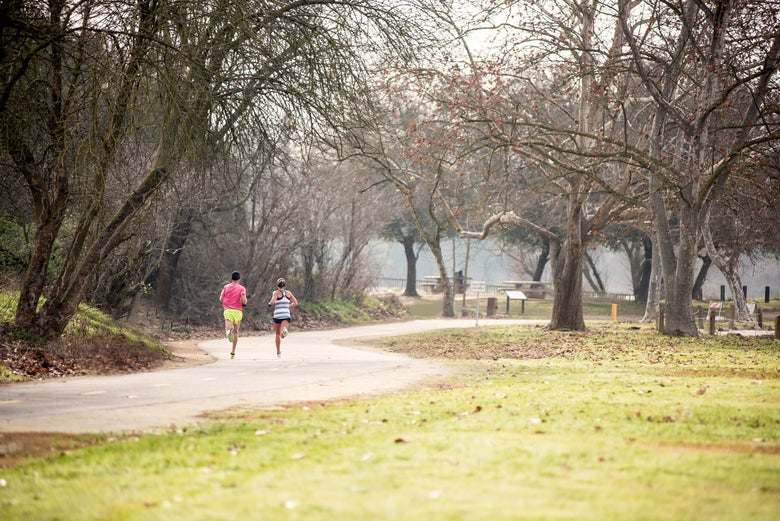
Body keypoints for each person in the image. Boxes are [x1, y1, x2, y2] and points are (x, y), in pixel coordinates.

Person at [268, 277, 298, 358]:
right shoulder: (289, 293)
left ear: (277, 285)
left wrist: (269, 303)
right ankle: (284, 332)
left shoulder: (276, 293)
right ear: (284, 285)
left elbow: (273, 301)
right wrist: (288, 306)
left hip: (277, 315)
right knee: (282, 334)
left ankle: (278, 352)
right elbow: (295, 303)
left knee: (277, 334)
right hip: (286, 315)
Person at [220, 271, 247, 359]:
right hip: (238, 312)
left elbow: (221, 298)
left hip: (228, 310)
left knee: (227, 329)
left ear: (232, 278)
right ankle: (233, 352)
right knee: (236, 332)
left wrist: (226, 301)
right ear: (239, 279)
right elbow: (244, 301)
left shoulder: (226, 287)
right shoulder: (242, 288)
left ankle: (229, 333)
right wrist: (244, 301)